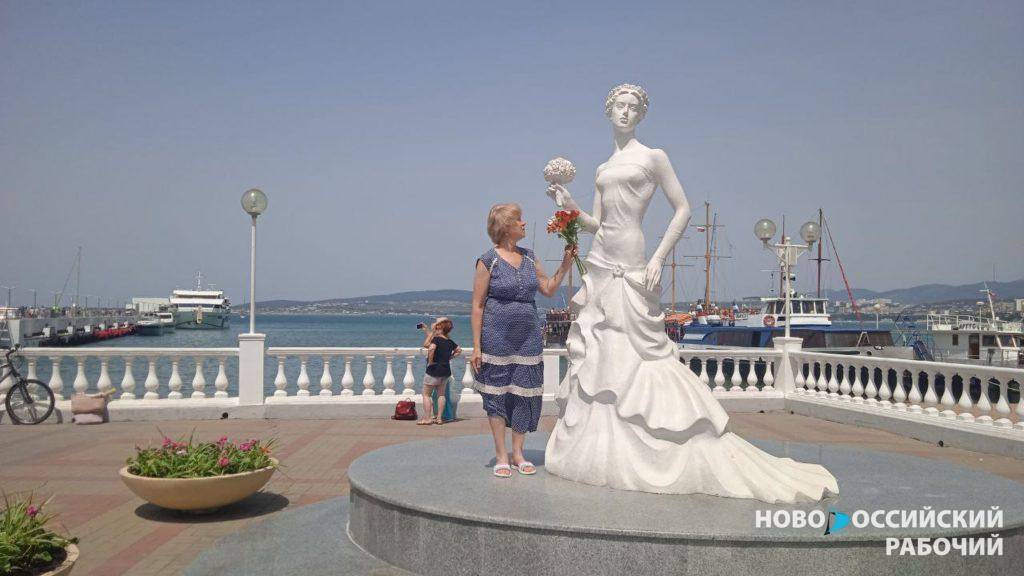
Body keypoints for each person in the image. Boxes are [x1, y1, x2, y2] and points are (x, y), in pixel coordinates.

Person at [542, 84, 838, 503]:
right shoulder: (603, 167)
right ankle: (602, 447)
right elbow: (596, 224)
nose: (625, 112)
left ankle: (661, 436)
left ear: (641, 115)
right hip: (601, 258)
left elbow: (683, 207)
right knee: (603, 348)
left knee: (643, 349)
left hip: (634, 256)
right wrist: (568, 203)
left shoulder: (653, 156)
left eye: (632, 107)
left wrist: (659, 257)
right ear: (608, 111)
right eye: (619, 106)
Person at [470, 203, 576, 478]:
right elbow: (477, 306)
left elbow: (548, 289)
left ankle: (518, 453)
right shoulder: (487, 260)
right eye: (519, 220)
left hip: (528, 337)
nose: (524, 223)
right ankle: (501, 455)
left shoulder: (530, 258)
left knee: (524, 394)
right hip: (495, 336)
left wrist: (565, 264)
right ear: (506, 226)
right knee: (496, 394)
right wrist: (477, 347)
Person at [418, 317, 461, 425]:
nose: (436, 328)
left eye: (437, 327)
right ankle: (439, 418)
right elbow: (459, 350)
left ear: (440, 329)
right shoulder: (450, 342)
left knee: (426, 395)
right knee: (441, 395)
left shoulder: (436, 340)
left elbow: (429, 347)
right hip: (445, 370)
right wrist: (450, 357)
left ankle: (427, 418)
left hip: (434, 370)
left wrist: (430, 362)